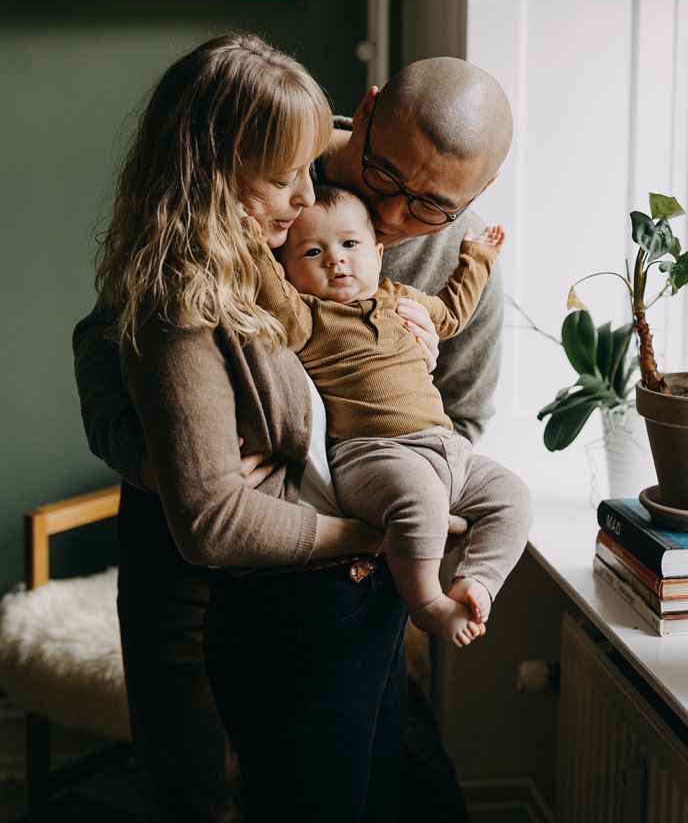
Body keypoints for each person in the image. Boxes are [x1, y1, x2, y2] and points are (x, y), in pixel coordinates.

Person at [74, 48, 515, 822]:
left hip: (362, 533)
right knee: (187, 756)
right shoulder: (264, 160)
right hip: (194, 508)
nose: (391, 217)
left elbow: (463, 417)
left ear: (476, 196)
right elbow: (108, 339)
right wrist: (150, 461)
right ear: (368, 112)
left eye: (431, 206)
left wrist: (390, 460)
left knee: (383, 762)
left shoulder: (457, 250)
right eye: (384, 177)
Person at [250, 184, 530, 646]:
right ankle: (428, 606)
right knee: (421, 501)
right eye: (313, 251)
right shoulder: (307, 317)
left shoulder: (400, 298)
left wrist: (477, 258)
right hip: (370, 455)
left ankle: (477, 581)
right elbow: (271, 292)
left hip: (445, 447)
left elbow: (454, 312)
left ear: (379, 255)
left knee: (513, 495)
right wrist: (248, 240)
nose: (336, 260)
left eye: (350, 245)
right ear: (289, 273)